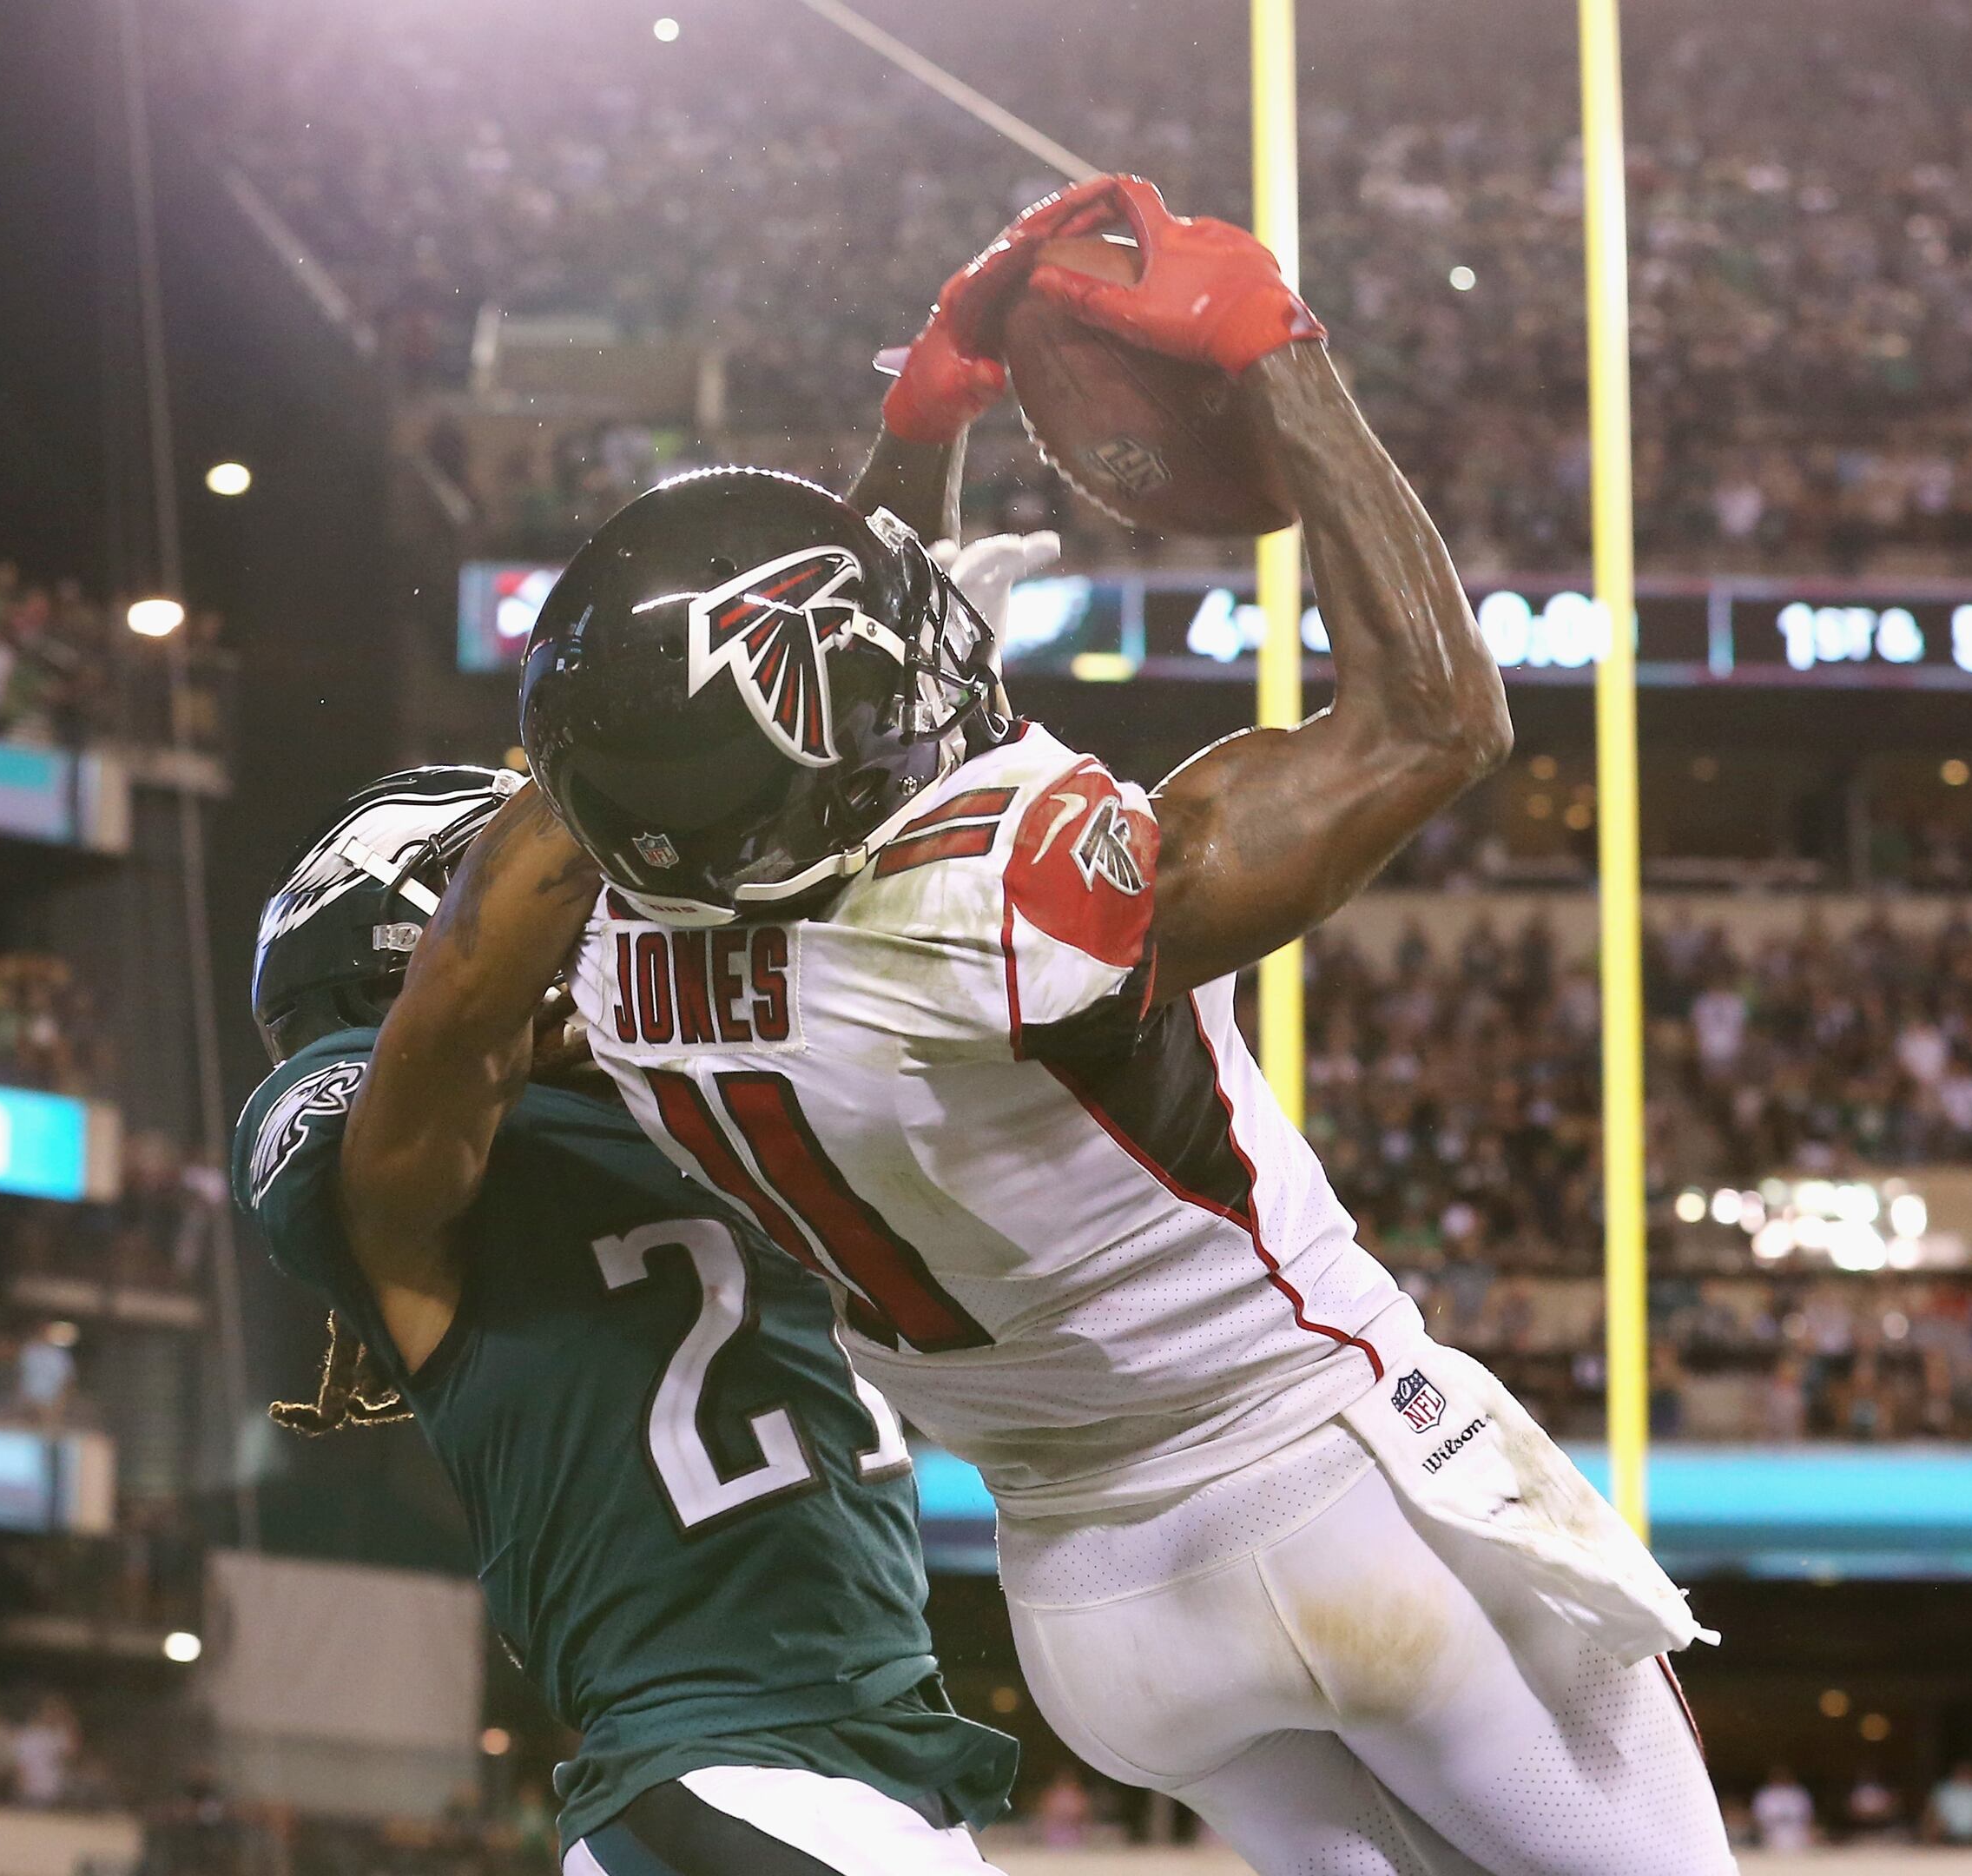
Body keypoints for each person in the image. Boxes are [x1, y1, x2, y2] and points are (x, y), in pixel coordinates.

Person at [477, 174, 1723, 1874]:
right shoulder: (1005, 909)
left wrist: (924, 426)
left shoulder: (615, 974)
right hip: (1330, 1494)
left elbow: (769, 722)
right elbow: (1433, 722)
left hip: (1090, 1604)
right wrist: (1281, 353)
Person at [234, 767, 1018, 1876]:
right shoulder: (370, 1123)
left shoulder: (712, 1112)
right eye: (580, 907)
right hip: (723, 1771)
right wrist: (605, 749)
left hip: (868, 1774)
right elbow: (450, 1047)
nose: (620, 936)